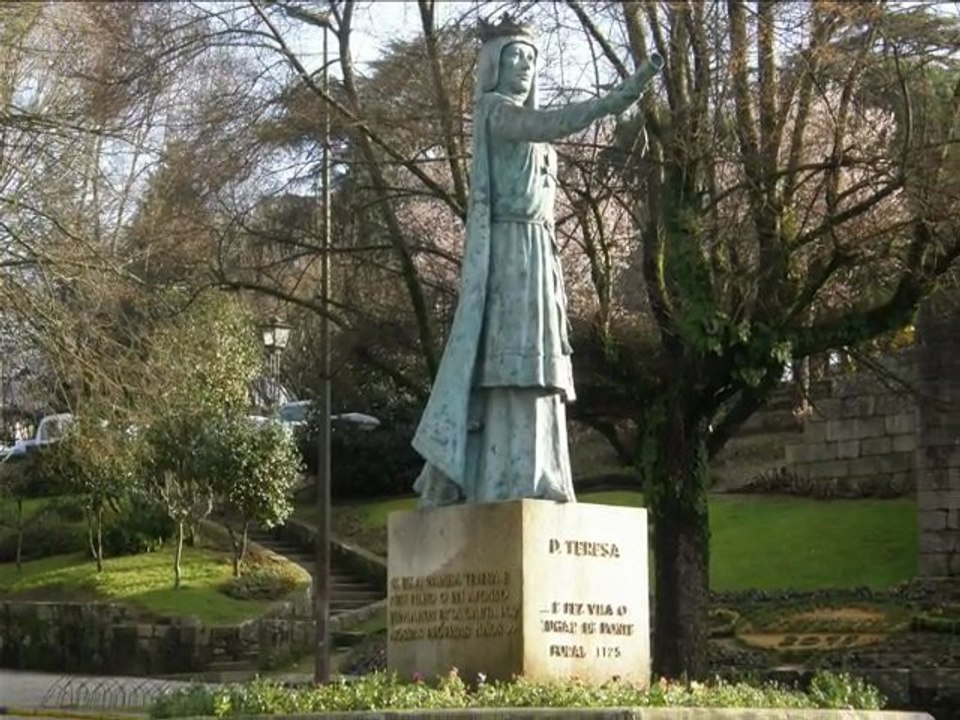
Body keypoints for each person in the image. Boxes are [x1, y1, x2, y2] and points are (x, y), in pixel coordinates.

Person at [412, 15, 662, 507]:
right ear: (494, 65)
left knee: (541, 369)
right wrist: (621, 96)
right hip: (508, 254)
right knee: (510, 363)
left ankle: (543, 473)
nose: (523, 67)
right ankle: (503, 479)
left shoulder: (520, 120)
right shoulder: (496, 112)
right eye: (514, 58)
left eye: (530, 59)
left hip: (539, 252)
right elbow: (552, 122)